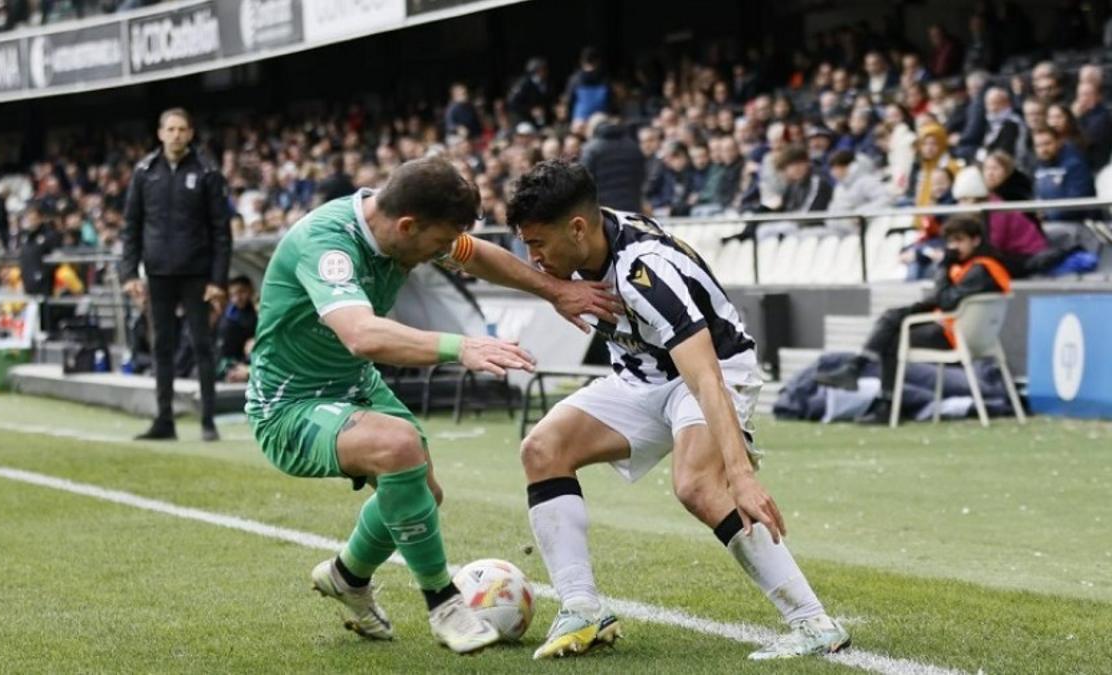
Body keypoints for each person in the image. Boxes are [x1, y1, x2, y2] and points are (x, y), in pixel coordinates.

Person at [245, 156, 619, 655]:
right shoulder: (328, 245)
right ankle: (444, 603)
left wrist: (555, 291)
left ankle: (346, 576)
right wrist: (461, 347)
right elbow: (359, 333)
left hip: (353, 386)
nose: (446, 253)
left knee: (421, 492)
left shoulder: (410, 227)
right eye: (439, 244)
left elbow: (475, 255)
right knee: (398, 446)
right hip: (289, 404)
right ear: (407, 225)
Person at [505, 159, 850, 661]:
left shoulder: (643, 272)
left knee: (696, 484)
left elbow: (705, 374)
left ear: (578, 228)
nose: (532, 257)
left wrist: (740, 473)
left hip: (714, 371)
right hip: (643, 376)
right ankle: (582, 609)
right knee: (542, 449)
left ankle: (814, 622)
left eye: (537, 244)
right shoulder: (587, 243)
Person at [815, 216, 1011, 421]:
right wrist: (905, 312)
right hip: (967, 332)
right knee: (892, 319)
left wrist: (943, 267)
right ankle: (860, 374)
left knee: (892, 339)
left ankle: (880, 397)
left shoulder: (979, 269)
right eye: (950, 242)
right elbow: (944, 299)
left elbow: (945, 302)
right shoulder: (981, 266)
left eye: (959, 240)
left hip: (955, 335)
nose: (954, 247)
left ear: (976, 240)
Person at [121, 108, 232, 442]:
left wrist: (218, 281)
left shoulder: (208, 172)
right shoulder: (144, 172)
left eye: (182, 129)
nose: (176, 135)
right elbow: (131, 227)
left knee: (202, 346)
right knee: (162, 347)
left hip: (197, 275)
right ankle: (164, 420)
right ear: (160, 133)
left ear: (191, 133)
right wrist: (129, 273)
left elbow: (221, 231)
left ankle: (208, 421)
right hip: (157, 274)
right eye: (170, 129)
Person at [951, 166, 1049, 277]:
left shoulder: (996, 210)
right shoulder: (982, 211)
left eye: (964, 200)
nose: (960, 205)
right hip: (1011, 253)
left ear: (975, 198)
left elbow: (995, 244)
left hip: (1028, 254)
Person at [579, 114, 646, 212]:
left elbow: (584, 182)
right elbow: (642, 176)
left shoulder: (590, 149)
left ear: (593, 128)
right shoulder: (633, 146)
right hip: (632, 207)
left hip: (604, 211)